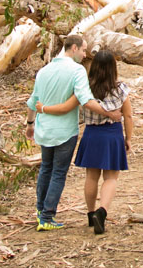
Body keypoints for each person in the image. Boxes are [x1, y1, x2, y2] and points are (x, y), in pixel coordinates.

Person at [25, 35, 119, 231]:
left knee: (45, 169)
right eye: (83, 50)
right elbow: (86, 100)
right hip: (65, 131)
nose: (85, 54)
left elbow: (33, 100)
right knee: (58, 172)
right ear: (74, 48)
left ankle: (40, 210)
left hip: (44, 129)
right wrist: (109, 113)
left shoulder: (44, 70)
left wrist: (30, 123)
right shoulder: (77, 71)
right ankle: (47, 216)